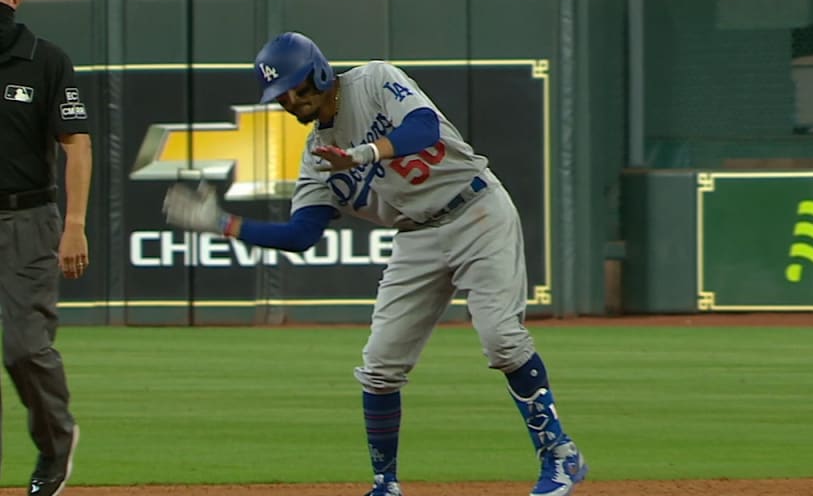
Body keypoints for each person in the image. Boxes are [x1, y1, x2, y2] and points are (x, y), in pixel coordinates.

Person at [163, 31, 588, 496]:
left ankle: (561, 456)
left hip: (475, 210)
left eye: (296, 87)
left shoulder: (375, 80)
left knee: (502, 341)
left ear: (320, 73)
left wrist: (362, 154)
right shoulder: (316, 157)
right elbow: (301, 235)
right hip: (416, 237)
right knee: (380, 368)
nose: (290, 100)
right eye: (280, 96)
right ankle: (385, 485)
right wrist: (223, 223)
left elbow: (423, 127)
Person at [0, 0, 90, 496]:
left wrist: (74, 223)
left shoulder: (45, 60)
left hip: (26, 217)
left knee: (26, 349)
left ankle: (56, 444)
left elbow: (76, 144)